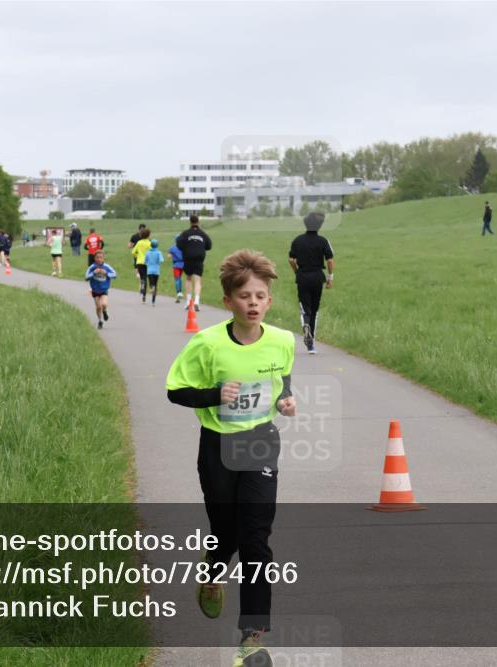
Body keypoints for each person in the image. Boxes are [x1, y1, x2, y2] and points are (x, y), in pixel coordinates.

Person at [166, 249, 296, 667]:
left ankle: (252, 637)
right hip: (218, 447)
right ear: (228, 301)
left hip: (260, 443)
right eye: (244, 296)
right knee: (226, 534)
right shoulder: (207, 344)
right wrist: (214, 395)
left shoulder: (283, 341)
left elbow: (282, 378)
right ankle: (212, 569)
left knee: (256, 539)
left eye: (260, 296)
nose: (253, 303)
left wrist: (286, 400)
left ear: (269, 301)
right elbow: (175, 391)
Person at [288, 212, 335, 354]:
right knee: (315, 309)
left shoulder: (297, 240)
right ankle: (311, 343)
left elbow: (291, 259)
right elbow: (330, 261)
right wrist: (330, 278)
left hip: (303, 276)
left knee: (305, 307)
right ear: (319, 226)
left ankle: (306, 326)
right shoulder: (323, 241)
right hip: (317, 277)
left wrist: (296, 271)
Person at [176, 214, 212, 311]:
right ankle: (196, 301)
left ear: (190, 222)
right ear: (198, 222)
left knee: (188, 279)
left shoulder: (185, 233)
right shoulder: (203, 234)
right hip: (199, 258)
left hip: (188, 257)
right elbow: (209, 246)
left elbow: (178, 244)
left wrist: (186, 247)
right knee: (197, 280)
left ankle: (188, 302)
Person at [85, 250, 117, 330]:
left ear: (103, 258)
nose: (99, 259)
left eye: (101, 257)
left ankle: (105, 311)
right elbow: (86, 277)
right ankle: (100, 321)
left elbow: (114, 275)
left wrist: (106, 273)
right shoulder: (92, 267)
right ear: (94, 258)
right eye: (97, 257)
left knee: (104, 304)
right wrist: (93, 273)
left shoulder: (106, 267)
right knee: (98, 307)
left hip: (104, 290)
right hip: (95, 290)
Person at [131, 227, 152, 303]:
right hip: (147, 262)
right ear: (148, 235)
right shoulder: (149, 243)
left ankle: (143, 292)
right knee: (147, 276)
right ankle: (149, 288)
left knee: (143, 277)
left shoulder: (139, 243)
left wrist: (137, 256)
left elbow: (133, 252)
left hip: (139, 262)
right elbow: (152, 252)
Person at [144, 239, 165, 306]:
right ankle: (153, 302)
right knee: (155, 285)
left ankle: (151, 287)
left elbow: (145, 261)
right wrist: (158, 262)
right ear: (157, 245)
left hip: (149, 271)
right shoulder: (159, 252)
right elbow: (161, 260)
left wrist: (148, 263)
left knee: (151, 283)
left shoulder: (147, 252)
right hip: (156, 271)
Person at [168, 234, 185, 303]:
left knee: (177, 279)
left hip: (176, 265)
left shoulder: (172, 248)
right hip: (184, 265)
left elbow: (169, 256)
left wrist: (173, 256)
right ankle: (179, 293)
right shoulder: (184, 247)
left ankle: (179, 292)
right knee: (180, 278)